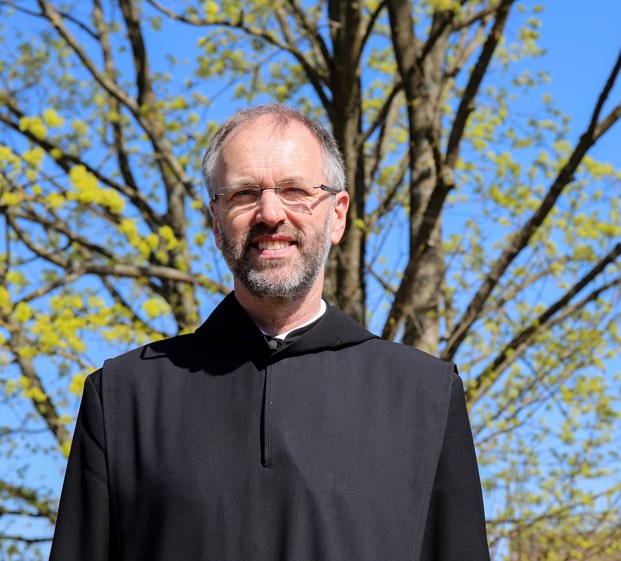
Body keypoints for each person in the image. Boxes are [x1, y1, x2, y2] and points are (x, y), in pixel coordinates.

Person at [49, 103, 490, 561]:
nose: (270, 212)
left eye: (294, 190)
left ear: (337, 215)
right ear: (215, 221)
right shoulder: (123, 398)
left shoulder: (425, 396)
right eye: (244, 193)